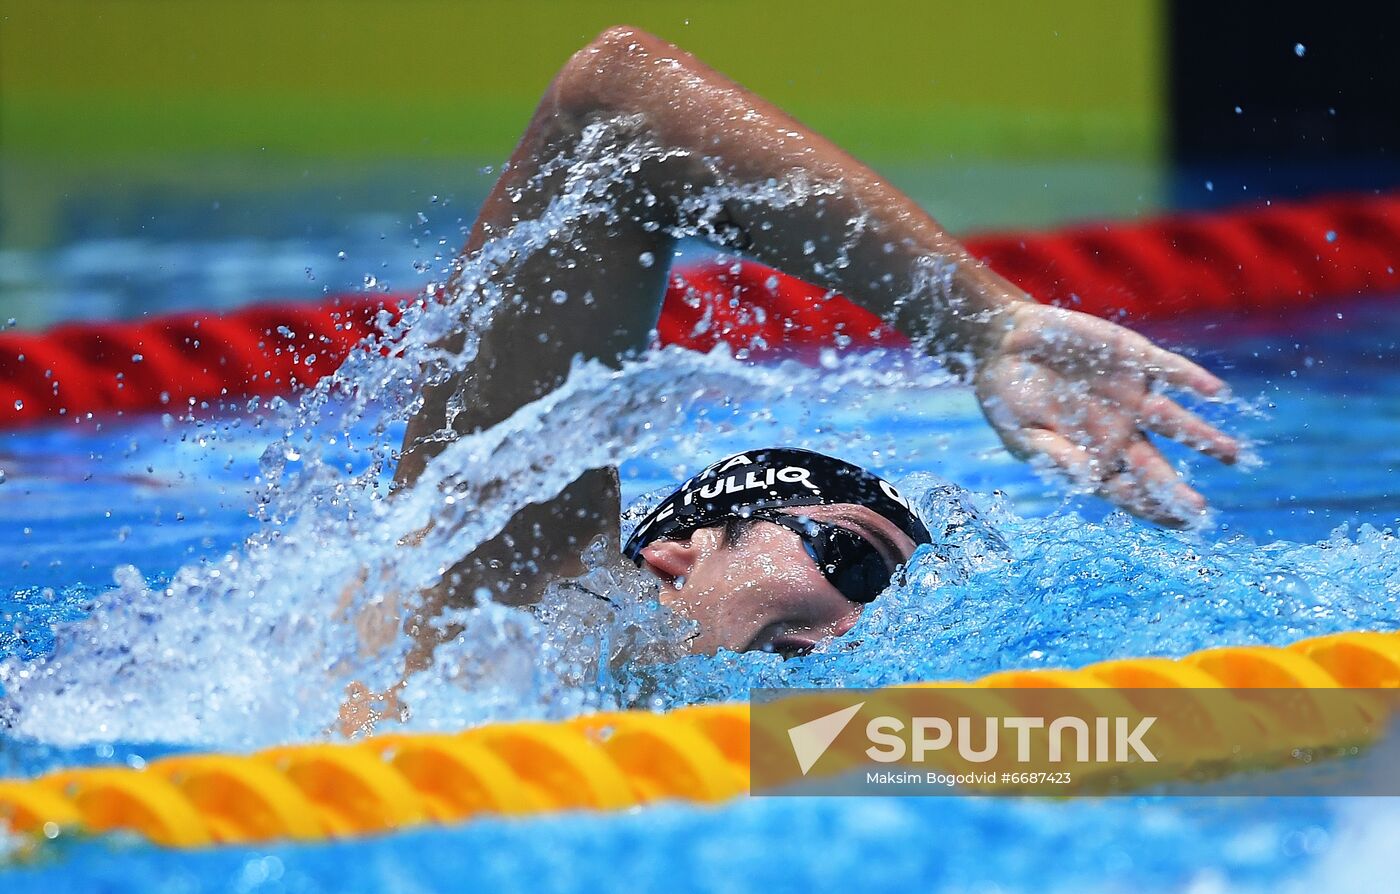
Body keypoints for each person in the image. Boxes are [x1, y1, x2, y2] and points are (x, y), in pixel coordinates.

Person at [387, 26, 1239, 667]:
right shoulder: (507, 621)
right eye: (852, 558)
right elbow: (613, 111)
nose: (864, 627)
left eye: (898, 598)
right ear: (676, 557)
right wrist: (981, 326)